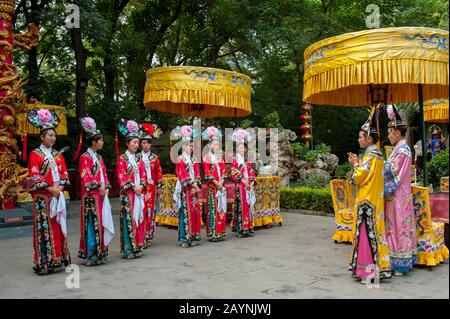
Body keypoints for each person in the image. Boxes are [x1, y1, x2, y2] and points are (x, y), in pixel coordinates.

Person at [347, 107, 391, 284]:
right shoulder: (379, 155)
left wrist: (355, 164)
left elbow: (358, 178)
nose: (358, 139)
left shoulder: (369, 157)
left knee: (366, 235)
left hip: (367, 203)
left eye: (361, 136)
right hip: (375, 202)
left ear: (370, 138)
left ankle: (368, 272)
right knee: (375, 235)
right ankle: (377, 269)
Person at [27, 109, 71, 274]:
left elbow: (65, 174)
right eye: (49, 135)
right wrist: (51, 189)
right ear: (42, 136)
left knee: (58, 227)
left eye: (54, 135)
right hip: (43, 198)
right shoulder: (35, 154)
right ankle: (44, 262)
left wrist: (59, 190)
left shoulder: (58, 155)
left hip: (56, 196)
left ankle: (58, 259)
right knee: (44, 228)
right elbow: (35, 175)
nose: (52, 138)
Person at [383, 105, 417, 275]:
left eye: (390, 133)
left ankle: (401, 262)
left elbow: (395, 171)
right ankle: (397, 259)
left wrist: (380, 166)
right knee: (396, 226)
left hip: (398, 197)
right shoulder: (400, 149)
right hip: (398, 196)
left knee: (399, 227)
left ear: (397, 133)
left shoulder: (402, 150)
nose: (388, 136)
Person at [78, 117, 113, 266]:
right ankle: (91, 254)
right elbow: (86, 175)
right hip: (91, 196)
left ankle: (101, 252)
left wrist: (106, 187)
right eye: (100, 140)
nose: (102, 142)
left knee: (102, 222)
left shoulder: (99, 157)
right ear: (94, 142)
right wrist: (99, 186)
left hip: (101, 195)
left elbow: (104, 174)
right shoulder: (84, 158)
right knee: (92, 223)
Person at [116, 119, 146, 258]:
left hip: (138, 193)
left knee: (139, 218)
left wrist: (141, 186)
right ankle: (128, 249)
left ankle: (138, 246)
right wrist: (134, 187)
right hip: (129, 195)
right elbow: (121, 176)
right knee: (128, 219)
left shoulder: (139, 159)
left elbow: (144, 175)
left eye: (137, 143)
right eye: (134, 143)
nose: (136, 145)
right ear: (127, 143)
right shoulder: (122, 159)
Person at [173, 125, 202, 247]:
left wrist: (197, 185)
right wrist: (194, 186)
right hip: (185, 190)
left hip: (194, 189)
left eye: (191, 145)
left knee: (194, 212)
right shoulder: (180, 159)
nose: (189, 148)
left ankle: (193, 235)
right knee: (185, 212)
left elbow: (198, 173)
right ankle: (184, 238)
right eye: (187, 145)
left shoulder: (194, 159)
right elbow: (182, 175)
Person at [202, 126, 228, 242]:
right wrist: (216, 183)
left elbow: (224, 170)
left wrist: (221, 181)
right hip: (212, 187)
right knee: (213, 209)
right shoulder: (206, 157)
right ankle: (213, 233)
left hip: (220, 186)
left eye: (218, 145)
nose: (216, 147)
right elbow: (207, 173)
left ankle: (221, 232)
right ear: (209, 145)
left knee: (221, 208)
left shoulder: (220, 157)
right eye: (214, 144)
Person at [139, 123, 163, 248]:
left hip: (152, 188)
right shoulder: (137, 158)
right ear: (140, 144)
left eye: (148, 143)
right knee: (141, 210)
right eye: (143, 143)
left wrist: (159, 187)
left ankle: (148, 235)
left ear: (151, 144)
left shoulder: (155, 158)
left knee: (150, 211)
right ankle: (140, 235)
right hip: (141, 188)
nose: (146, 145)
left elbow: (159, 172)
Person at [230, 128, 256, 237]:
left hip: (247, 187)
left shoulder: (246, 160)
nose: (243, 149)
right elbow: (233, 171)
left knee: (248, 206)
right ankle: (241, 229)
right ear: (237, 148)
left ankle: (249, 228)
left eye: (244, 147)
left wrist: (252, 182)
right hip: (240, 187)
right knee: (241, 207)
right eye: (241, 147)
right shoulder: (234, 159)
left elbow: (251, 171)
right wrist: (243, 180)